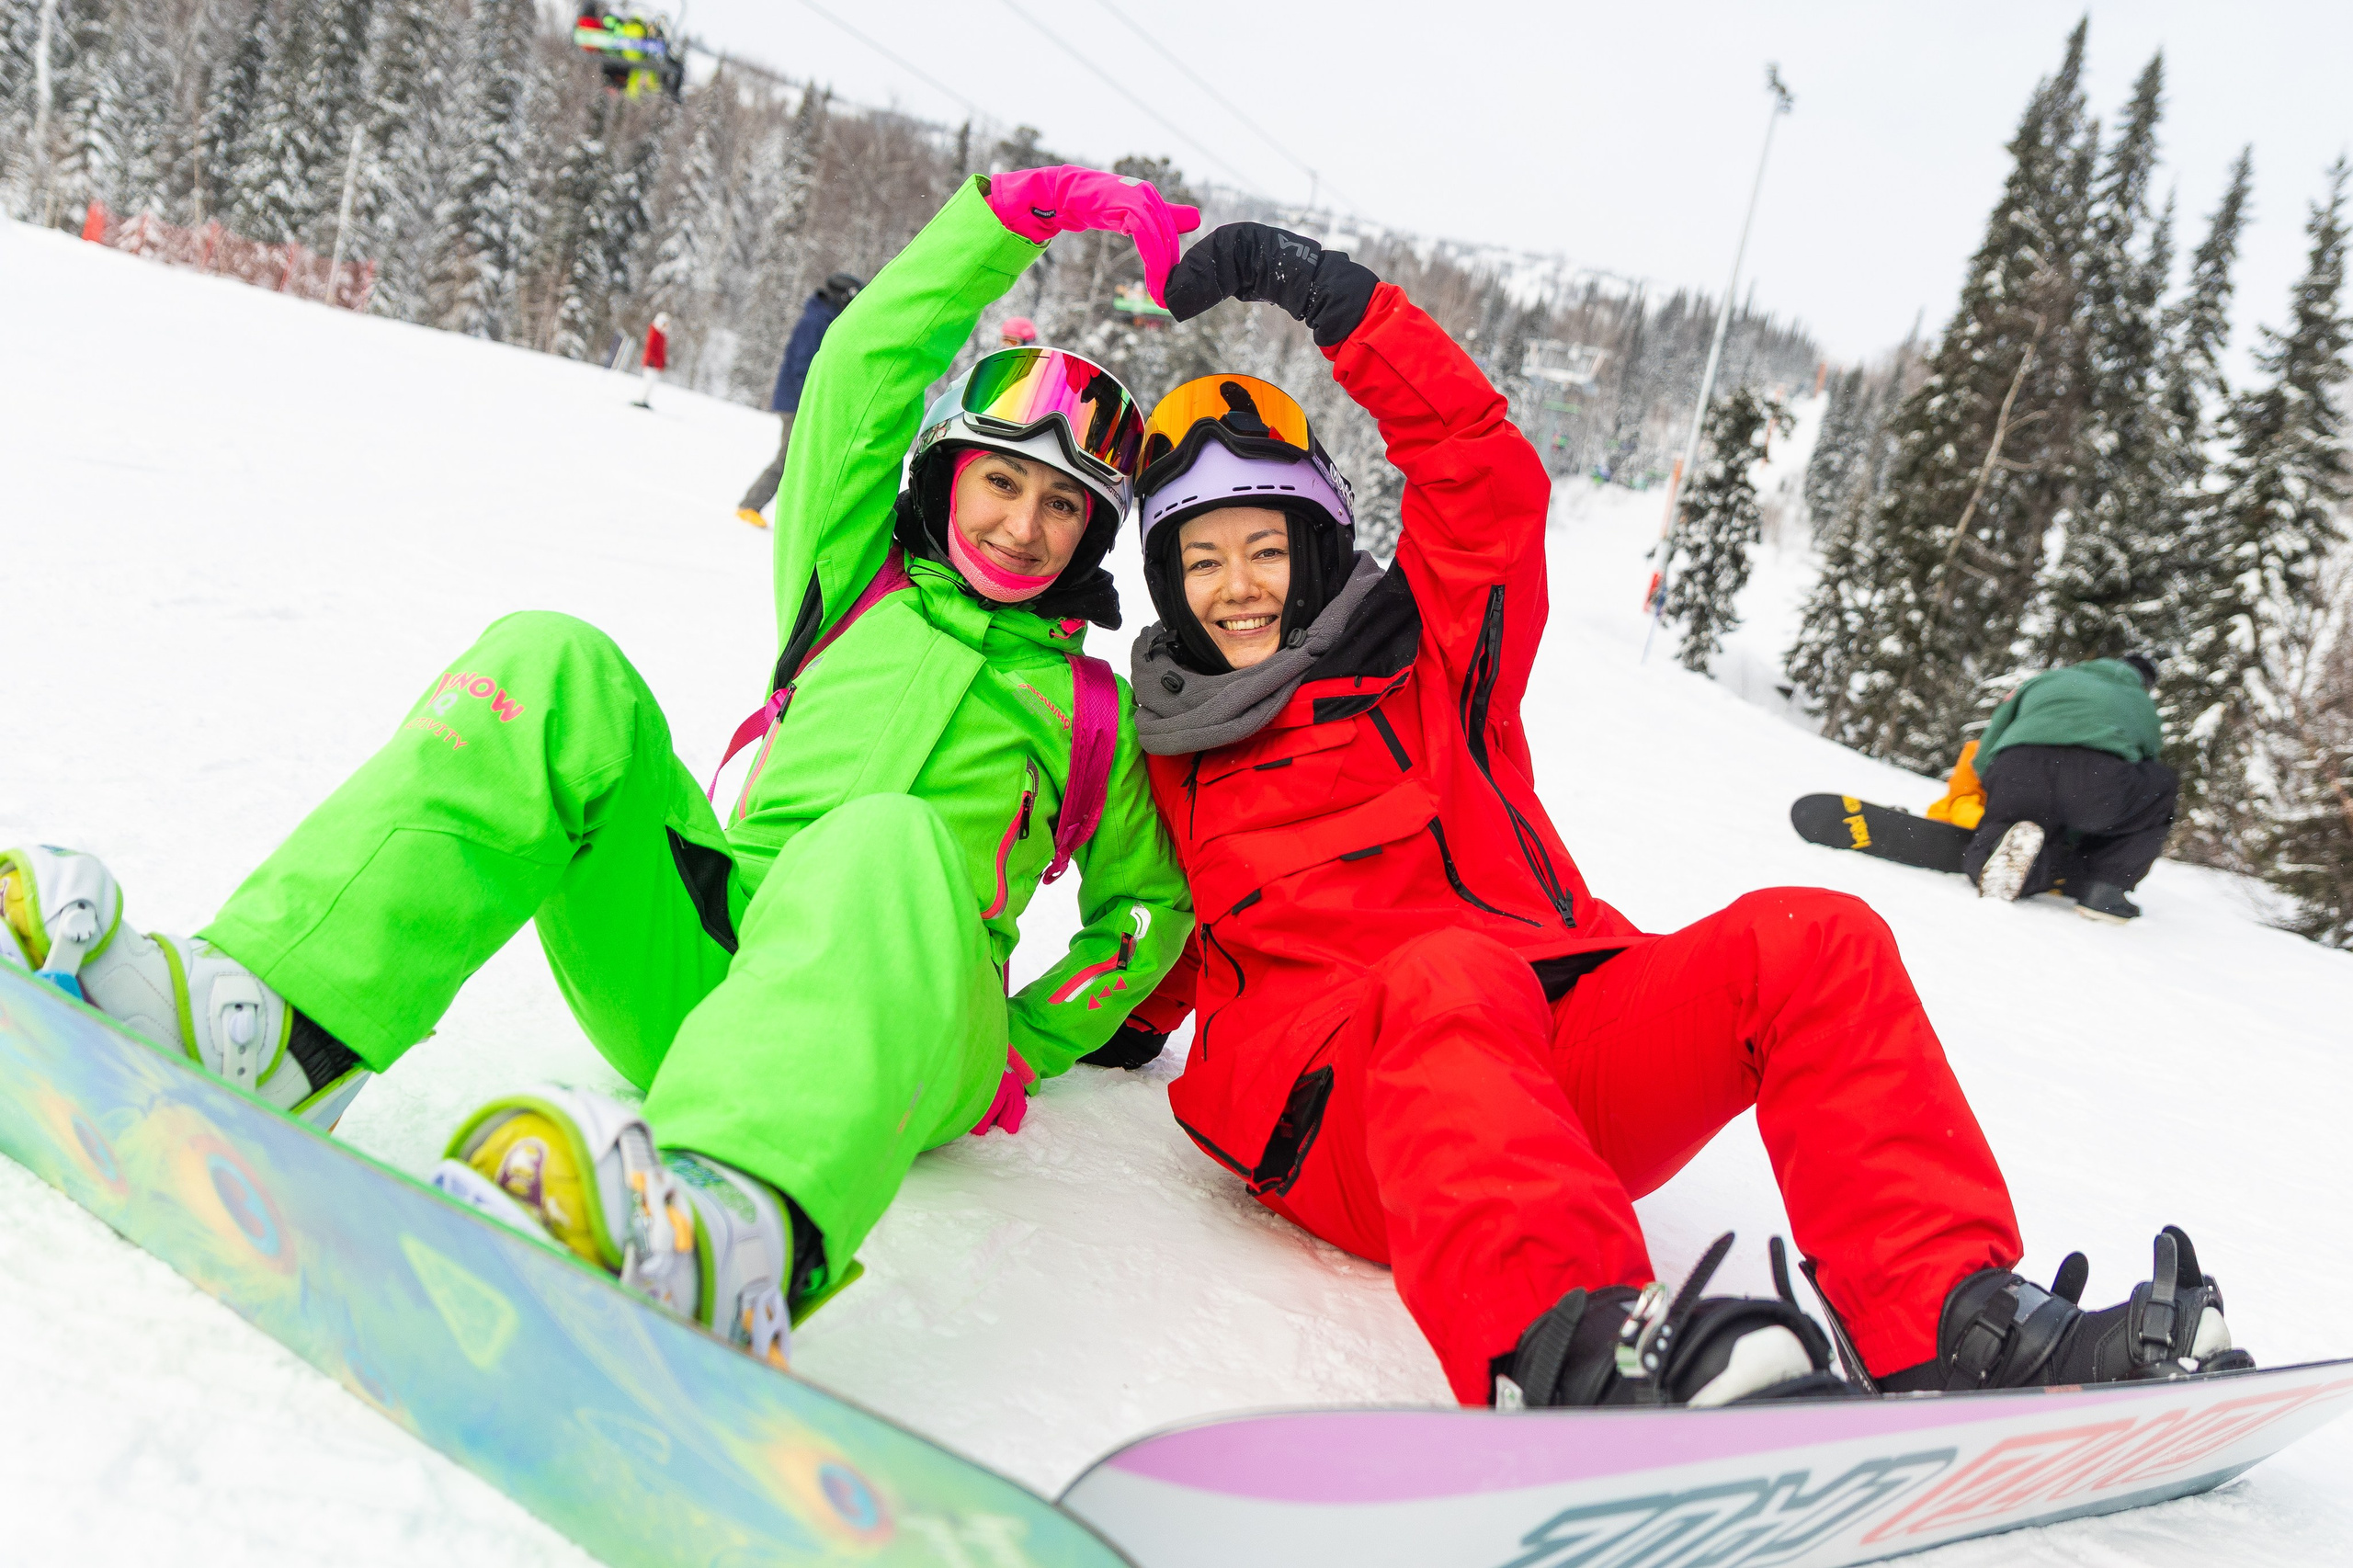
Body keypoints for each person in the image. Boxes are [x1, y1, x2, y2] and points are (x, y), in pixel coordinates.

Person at [4, 165, 1200, 1370]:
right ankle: (276, 1025)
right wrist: (1013, 215)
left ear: (1092, 531)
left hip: (903, 1021)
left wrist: (1019, 1039)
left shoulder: (1087, 708)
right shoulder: (853, 583)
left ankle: (733, 1226)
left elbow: (1148, 911)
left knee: (886, 837)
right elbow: (861, 367)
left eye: (1062, 505)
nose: (1021, 525)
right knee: (550, 659)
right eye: (1002, 479)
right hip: (707, 956)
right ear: (948, 475)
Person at [1107, 222, 2250, 1410]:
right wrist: (1106, 1027)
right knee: (1449, 971)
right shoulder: (1170, 748)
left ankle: (1946, 1317)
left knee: (1813, 937)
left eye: (1265, 546)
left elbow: (1486, 477)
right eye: (1201, 560)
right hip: (1350, 1119)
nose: (1238, 585)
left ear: (1318, 543)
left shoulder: (1428, 665)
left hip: (1554, 1056)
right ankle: (1570, 1351)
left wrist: (1338, 301)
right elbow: (1161, 917)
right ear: (1167, 583)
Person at [1963, 654, 2176, 922]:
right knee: (2160, 786)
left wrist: (1997, 787)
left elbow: (1992, 738)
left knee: (2017, 820)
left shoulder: (2046, 680)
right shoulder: (2140, 701)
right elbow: (2147, 761)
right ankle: (2104, 890)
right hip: (2095, 776)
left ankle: (1994, 850)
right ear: (2146, 682)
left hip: (2016, 767)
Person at [736, 273, 865, 529]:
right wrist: (812, 400)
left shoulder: (826, 319)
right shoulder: (816, 320)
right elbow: (802, 367)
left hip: (801, 401)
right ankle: (750, 505)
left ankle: (788, 515)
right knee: (791, 457)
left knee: (801, 459)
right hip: (796, 402)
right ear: (842, 297)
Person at [631, 312, 668, 409]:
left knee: (652, 383)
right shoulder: (654, 332)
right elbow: (650, 347)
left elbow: (661, 350)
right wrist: (651, 359)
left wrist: (663, 362)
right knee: (648, 382)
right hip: (651, 363)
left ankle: (645, 400)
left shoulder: (662, 335)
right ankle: (640, 399)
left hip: (656, 364)